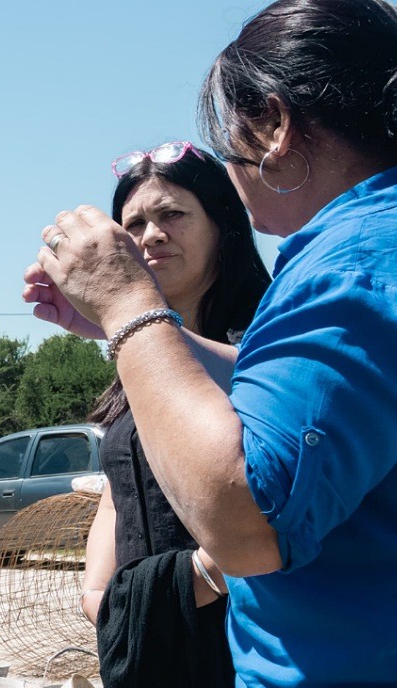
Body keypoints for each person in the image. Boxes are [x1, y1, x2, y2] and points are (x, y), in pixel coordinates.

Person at [28, 0, 397, 686]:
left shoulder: (359, 263)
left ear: (272, 124)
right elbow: (299, 392)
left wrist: (130, 312)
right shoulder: (383, 244)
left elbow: (247, 524)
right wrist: (148, 330)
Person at [66, 142, 268, 686]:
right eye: (132, 225)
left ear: (223, 224)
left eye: (172, 214)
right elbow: (119, 484)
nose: (151, 235)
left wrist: (203, 575)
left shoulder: (267, 339)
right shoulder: (139, 357)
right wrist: (100, 596)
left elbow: (289, 484)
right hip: (149, 638)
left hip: (241, 638)